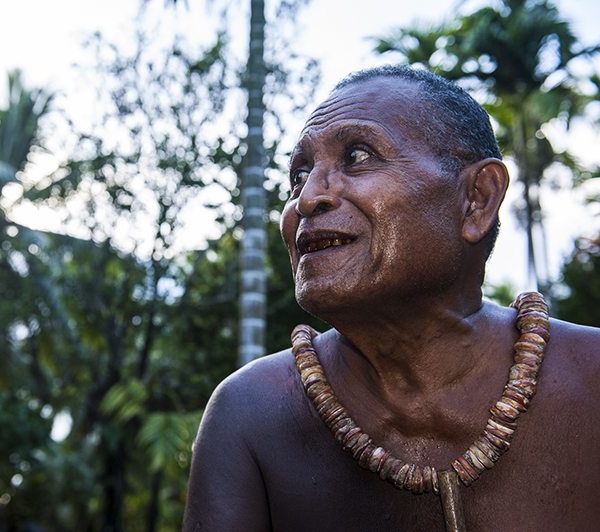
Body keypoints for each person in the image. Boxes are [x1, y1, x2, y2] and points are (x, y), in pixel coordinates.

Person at [182, 65, 600, 531]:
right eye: (298, 176)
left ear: (477, 199)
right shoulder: (250, 414)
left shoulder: (593, 377)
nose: (307, 199)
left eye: (358, 155)